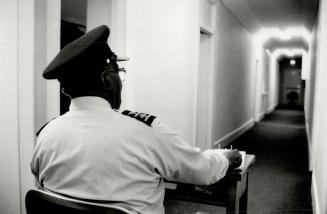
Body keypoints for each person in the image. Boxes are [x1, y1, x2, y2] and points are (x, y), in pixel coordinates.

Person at [31, 25, 242, 214]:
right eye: (119, 73)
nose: (121, 82)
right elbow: (202, 171)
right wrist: (225, 158)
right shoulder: (145, 133)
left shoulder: (46, 136)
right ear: (106, 79)